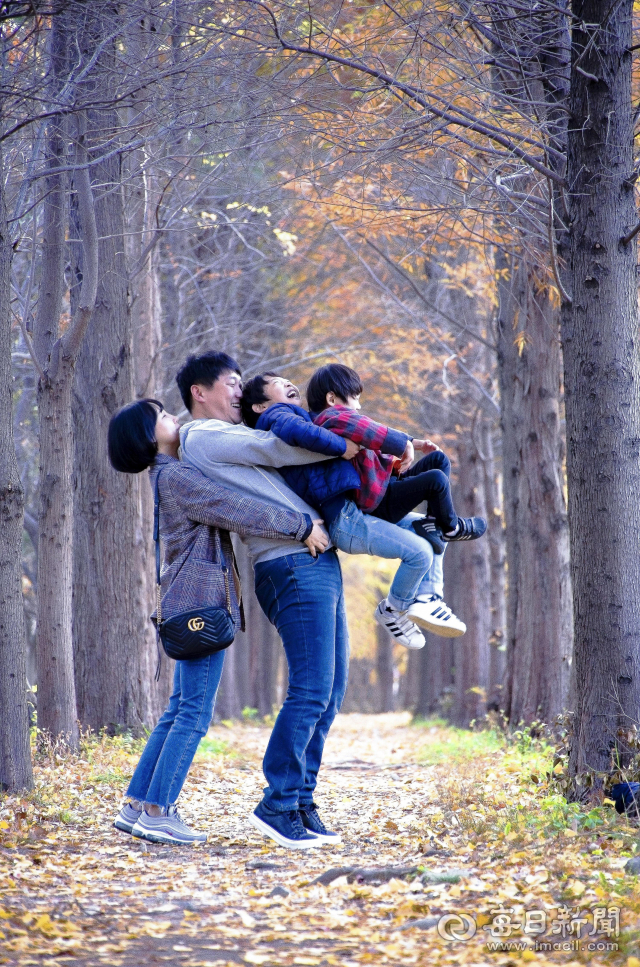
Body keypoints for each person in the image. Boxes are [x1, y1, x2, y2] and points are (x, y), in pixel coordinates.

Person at [107, 397, 322, 846]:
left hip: (187, 604)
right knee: (193, 713)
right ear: (150, 437)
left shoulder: (167, 477)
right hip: (200, 607)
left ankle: (136, 804)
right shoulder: (178, 478)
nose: (173, 418)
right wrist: (301, 525)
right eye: (162, 417)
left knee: (176, 710)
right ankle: (158, 810)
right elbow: (234, 507)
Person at [176, 352, 360, 850]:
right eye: (232, 383)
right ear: (200, 391)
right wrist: (353, 445)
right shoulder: (206, 435)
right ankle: (277, 804)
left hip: (313, 559)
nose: (241, 391)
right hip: (291, 563)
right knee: (311, 689)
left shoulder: (230, 438)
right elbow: (283, 448)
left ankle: (301, 799)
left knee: (331, 689)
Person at [242, 366, 485, 642]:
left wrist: (407, 443)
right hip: (345, 518)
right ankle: (396, 607)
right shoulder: (279, 416)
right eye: (276, 382)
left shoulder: (309, 418)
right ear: (261, 405)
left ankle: (429, 594)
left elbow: (360, 431)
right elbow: (323, 430)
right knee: (421, 551)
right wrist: (343, 446)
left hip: (358, 507)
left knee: (428, 526)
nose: (287, 381)